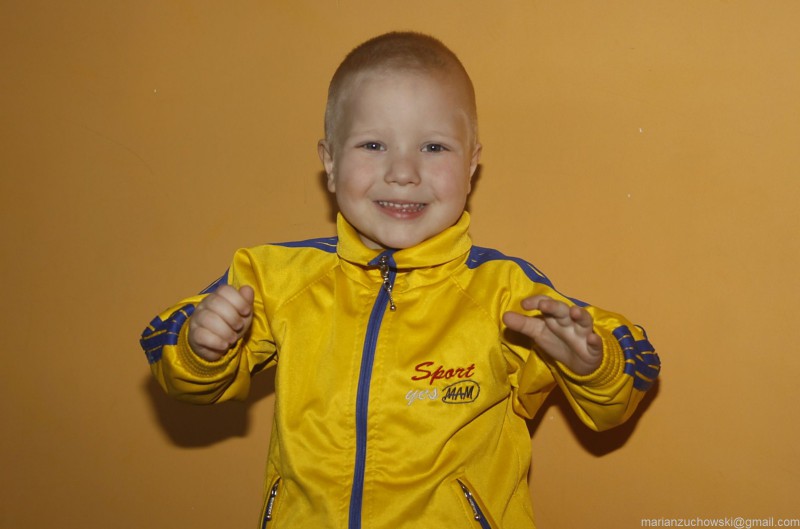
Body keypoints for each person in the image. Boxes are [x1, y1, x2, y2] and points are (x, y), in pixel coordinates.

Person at [140, 31, 661, 529]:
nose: (403, 172)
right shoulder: (273, 278)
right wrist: (200, 348)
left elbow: (625, 383)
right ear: (329, 162)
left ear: (473, 163)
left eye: (434, 148)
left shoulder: (502, 292)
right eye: (373, 145)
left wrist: (594, 365)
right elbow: (172, 358)